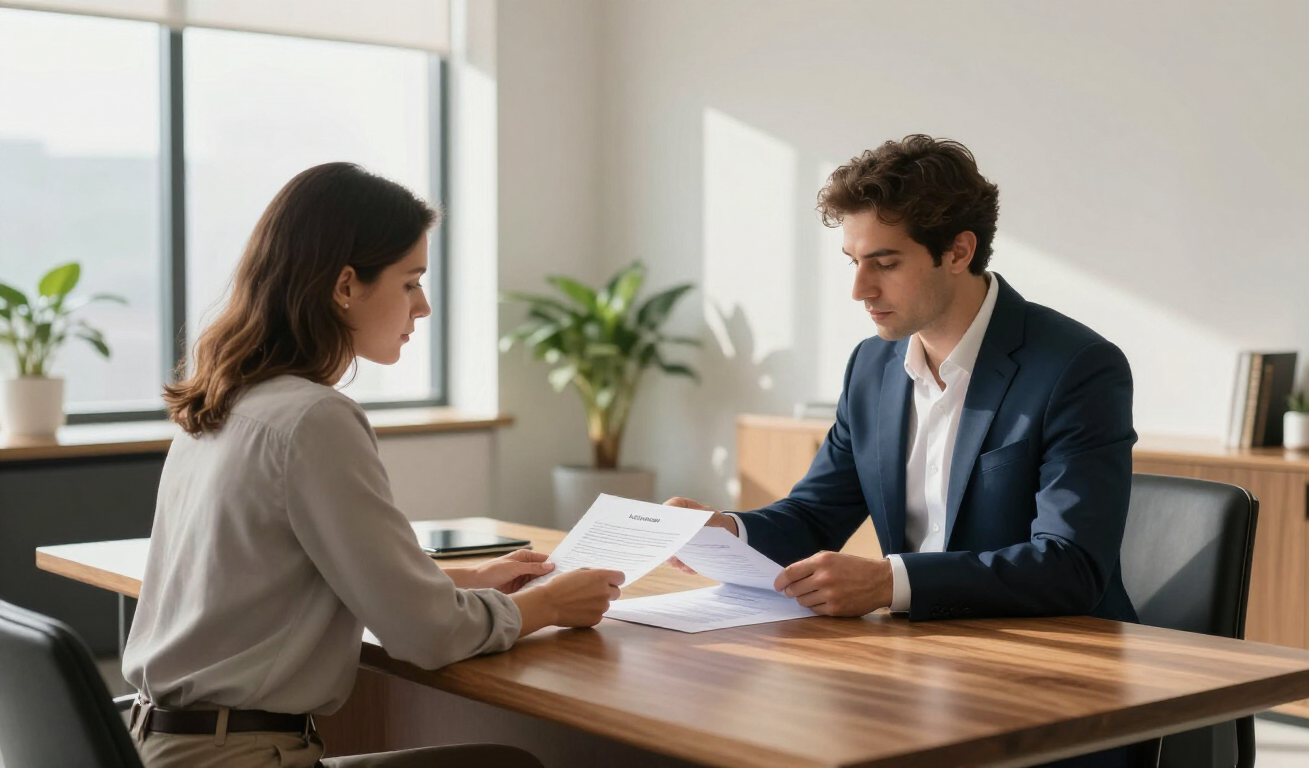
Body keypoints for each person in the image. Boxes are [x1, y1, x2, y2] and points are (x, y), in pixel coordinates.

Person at [122, 162, 624, 768]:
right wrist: (549, 605)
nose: (425, 307)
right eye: (411, 282)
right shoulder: (314, 418)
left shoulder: (225, 401)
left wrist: (464, 581)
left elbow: (298, 574)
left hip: (160, 746)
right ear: (344, 287)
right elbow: (426, 637)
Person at [666, 136, 1144, 768]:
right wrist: (725, 530)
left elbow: (1071, 566)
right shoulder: (872, 366)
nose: (860, 288)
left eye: (885, 262)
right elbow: (815, 515)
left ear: (958, 250)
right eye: (852, 261)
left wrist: (891, 581)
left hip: (1052, 687)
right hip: (918, 669)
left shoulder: (1075, 367)